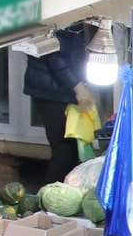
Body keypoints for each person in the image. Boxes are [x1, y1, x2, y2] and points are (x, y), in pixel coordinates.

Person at [23, 24, 94, 184]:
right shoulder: (56, 21)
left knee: (72, 149)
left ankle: (63, 191)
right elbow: (54, 56)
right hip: (52, 91)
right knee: (63, 151)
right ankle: (50, 195)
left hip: (64, 88)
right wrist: (78, 87)